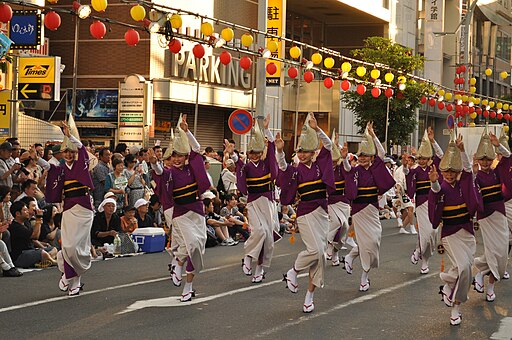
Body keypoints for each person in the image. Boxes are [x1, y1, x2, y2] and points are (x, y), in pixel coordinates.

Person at [277, 113, 335, 313]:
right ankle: (293, 271)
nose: (301, 154)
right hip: (305, 213)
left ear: (312, 152)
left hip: (321, 213)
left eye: (305, 151)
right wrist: (279, 151)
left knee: (321, 258)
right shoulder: (295, 170)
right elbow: (282, 168)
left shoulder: (320, 165)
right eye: (299, 151)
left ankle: (309, 296)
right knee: (317, 251)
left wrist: (318, 129)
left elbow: (328, 146)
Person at [149, 114, 210, 302]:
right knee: (191, 244)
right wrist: (153, 162)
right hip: (180, 213)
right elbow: (159, 172)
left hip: (197, 211)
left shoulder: (193, 168)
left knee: (199, 245)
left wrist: (187, 131)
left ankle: (182, 268)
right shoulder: (169, 173)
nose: (176, 159)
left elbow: (197, 150)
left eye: (181, 155)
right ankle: (185, 279)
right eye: (174, 155)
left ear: (186, 156)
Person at [429, 133, 480, 326]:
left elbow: (468, 171)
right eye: (446, 172)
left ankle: (449, 287)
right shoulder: (440, 187)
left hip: (467, 232)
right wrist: (434, 181)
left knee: (465, 270)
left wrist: (462, 151)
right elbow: (435, 194)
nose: (449, 174)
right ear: (442, 172)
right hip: (450, 234)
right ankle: (455, 308)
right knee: (465, 268)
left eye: (452, 171)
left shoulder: (463, 184)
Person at [44, 118, 95, 296]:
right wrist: (37, 160)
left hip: (84, 209)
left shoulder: (81, 164)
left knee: (77, 247)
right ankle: (72, 277)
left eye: (70, 152)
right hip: (69, 209)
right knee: (67, 246)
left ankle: (73, 276)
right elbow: (49, 169)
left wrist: (70, 136)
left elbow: (82, 149)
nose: (68, 155)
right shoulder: (61, 169)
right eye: (65, 152)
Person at [342, 122, 395, 292]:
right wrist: (343, 158)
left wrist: (373, 136)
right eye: (361, 155)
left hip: (372, 209)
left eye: (366, 155)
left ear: (371, 156)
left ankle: (351, 255)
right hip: (359, 210)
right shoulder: (355, 170)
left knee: (374, 241)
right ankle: (364, 277)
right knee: (367, 243)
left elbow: (381, 152)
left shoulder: (376, 168)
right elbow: (346, 169)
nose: (363, 158)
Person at [224, 114, 278, 282]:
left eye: (257, 152)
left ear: (262, 151)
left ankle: (259, 269)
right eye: (251, 153)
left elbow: (273, 150)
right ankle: (248, 256)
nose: (254, 155)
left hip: (268, 202)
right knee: (259, 231)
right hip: (254, 202)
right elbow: (237, 165)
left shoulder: (267, 163)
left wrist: (267, 130)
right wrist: (232, 154)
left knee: (268, 238)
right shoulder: (247, 166)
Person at [472, 129, 511, 302]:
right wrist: (472, 173)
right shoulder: (475, 177)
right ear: (478, 160)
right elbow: (469, 192)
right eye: (483, 159)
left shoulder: (497, 172)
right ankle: (489, 287)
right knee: (492, 250)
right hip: (485, 215)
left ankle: (480, 271)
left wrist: (498, 146)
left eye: (488, 159)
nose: (486, 162)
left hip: (499, 213)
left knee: (502, 252)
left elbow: (509, 157)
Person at [405, 128, 443, 274]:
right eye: (419, 158)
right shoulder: (415, 170)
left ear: (429, 159)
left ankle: (418, 250)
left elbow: (441, 154)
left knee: (433, 232)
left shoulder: (434, 168)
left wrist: (433, 141)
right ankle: (424, 261)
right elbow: (408, 175)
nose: (421, 161)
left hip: (435, 204)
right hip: (421, 204)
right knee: (425, 233)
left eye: (424, 158)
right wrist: (404, 167)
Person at [326, 131, 351, 267]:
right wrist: (333, 143)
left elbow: (348, 169)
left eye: (336, 160)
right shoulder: (325, 169)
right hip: (330, 201)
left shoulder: (342, 167)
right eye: (331, 159)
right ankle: (329, 244)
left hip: (343, 201)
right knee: (337, 222)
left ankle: (335, 251)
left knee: (345, 227)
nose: (333, 162)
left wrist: (344, 157)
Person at [8, 201, 58, 268]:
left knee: (54, 249)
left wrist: (43, 244)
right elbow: (35, 236)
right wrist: (38, 219)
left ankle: (42, 261)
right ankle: (54, 262)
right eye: (25, 210)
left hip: (31, 251)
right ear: (17, 214)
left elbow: (33, 239)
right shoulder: (15, 226)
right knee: (41, 253)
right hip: (20, 255)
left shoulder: (26, 223)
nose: (28, 211)